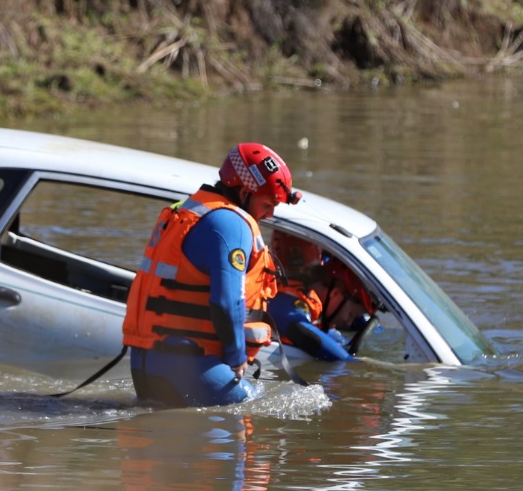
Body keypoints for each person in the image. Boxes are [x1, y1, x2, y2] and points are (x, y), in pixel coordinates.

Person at [122, 142, 303, 407]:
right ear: (244, 192)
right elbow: (226, 302)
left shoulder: (190, 209)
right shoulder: (230, 224)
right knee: (243, 428)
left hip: (146, 363)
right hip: (193, 366)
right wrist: (236, 357)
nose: (270, 213)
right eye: (268, 203)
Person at [266, 231, 375, 363]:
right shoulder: (284, 302)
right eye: (351, 315)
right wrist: (352, 364)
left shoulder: (306, 298)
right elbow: (302, 331)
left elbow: (332, 337)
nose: (348, 322)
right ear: (335, 293)